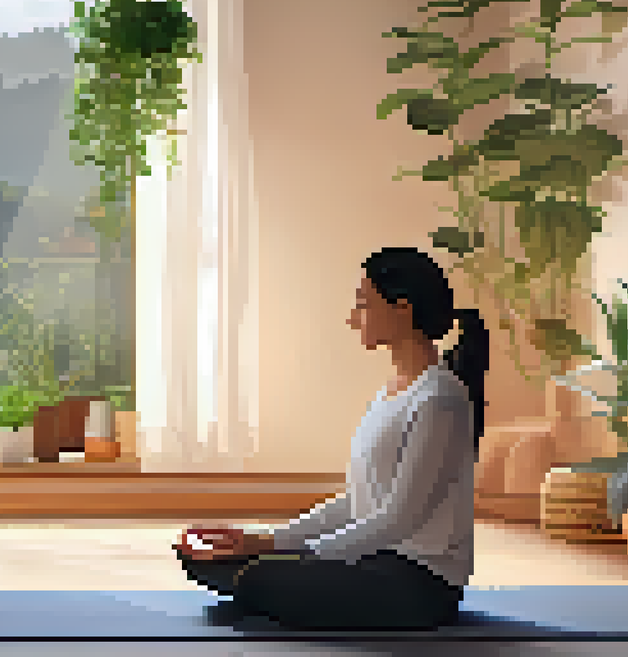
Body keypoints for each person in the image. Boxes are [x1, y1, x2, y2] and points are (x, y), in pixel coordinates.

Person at [174, 247, 489, 630]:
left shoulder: (440, 400)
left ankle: (263, 582)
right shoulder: (393, 393)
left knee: (259, 577)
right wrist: (266, 541)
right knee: (209, 560)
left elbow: (398, 520)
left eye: (363, 305)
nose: (352, 319)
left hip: (417, 585)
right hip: (371, 559)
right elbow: (359, 502)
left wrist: (302, 556)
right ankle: (263, 579)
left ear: (402, 309)